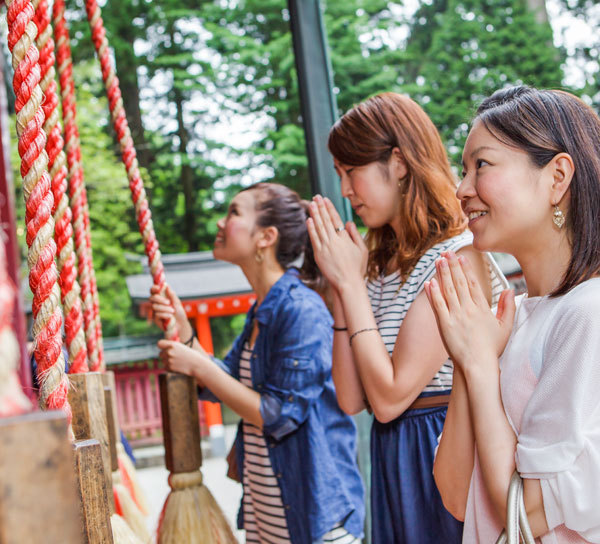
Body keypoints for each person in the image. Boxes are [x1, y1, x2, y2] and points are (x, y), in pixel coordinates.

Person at [306, 92, 505, 544]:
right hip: (393, 452)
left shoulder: (457, 257)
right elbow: (352, 399)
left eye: (351, 171)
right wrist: (344, 285)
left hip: (441, 447)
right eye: (340, 175)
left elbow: (392, 396)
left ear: (397, 163)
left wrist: (352, 287)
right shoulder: (377, 264)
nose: (345, 191)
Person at [426, 86, 600, 543]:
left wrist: (480, 362)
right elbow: (454, 492)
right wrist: (469, 354)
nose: (462, 190)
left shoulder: (587, 312)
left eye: (480, 165)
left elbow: (526, 514)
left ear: (557, 176)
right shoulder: (509, 315)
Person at [150, 182, 365, 544]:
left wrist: (198, 365)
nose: (221, 222)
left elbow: (277, 414)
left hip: (314, 520)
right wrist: (187, 333)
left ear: (266, 236)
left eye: (234, 212)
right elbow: (228, 383)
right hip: (269, 513)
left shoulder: (300, 309)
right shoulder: (263, 310)